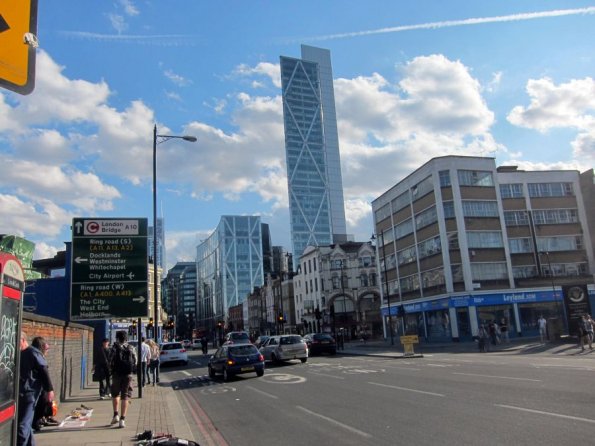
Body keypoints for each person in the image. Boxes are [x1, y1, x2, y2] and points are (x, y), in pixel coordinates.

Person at [18, 332, 55, 446]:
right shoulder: (18, 353)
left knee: (22, 426)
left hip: (30, 394)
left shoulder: (33, 353)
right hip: (20, 393)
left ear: (23, 340)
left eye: (17, 340)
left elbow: (44, 370)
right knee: (26, 425)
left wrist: (49, 390)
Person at [109, 330, 137, 429]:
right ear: (126, 338)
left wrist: (111, 371)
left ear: (117, 338)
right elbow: (135, 361)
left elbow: (110, 360)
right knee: (125, 396)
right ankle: (122, 419)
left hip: (116, 374)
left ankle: (115, 414)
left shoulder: (114, 348)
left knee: (115, 394)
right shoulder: (131, 347)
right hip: (128, 375)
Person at [31, 338, 58, 432]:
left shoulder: (32, 354)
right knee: (40, 404)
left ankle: (40, 420)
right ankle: (36, 423)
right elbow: (44, 372)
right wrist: (49, 389)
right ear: (42, 347)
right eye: (46, 349)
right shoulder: (37, 356)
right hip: (38, 387)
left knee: (41, 404)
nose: (47, 351)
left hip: (36, 387)